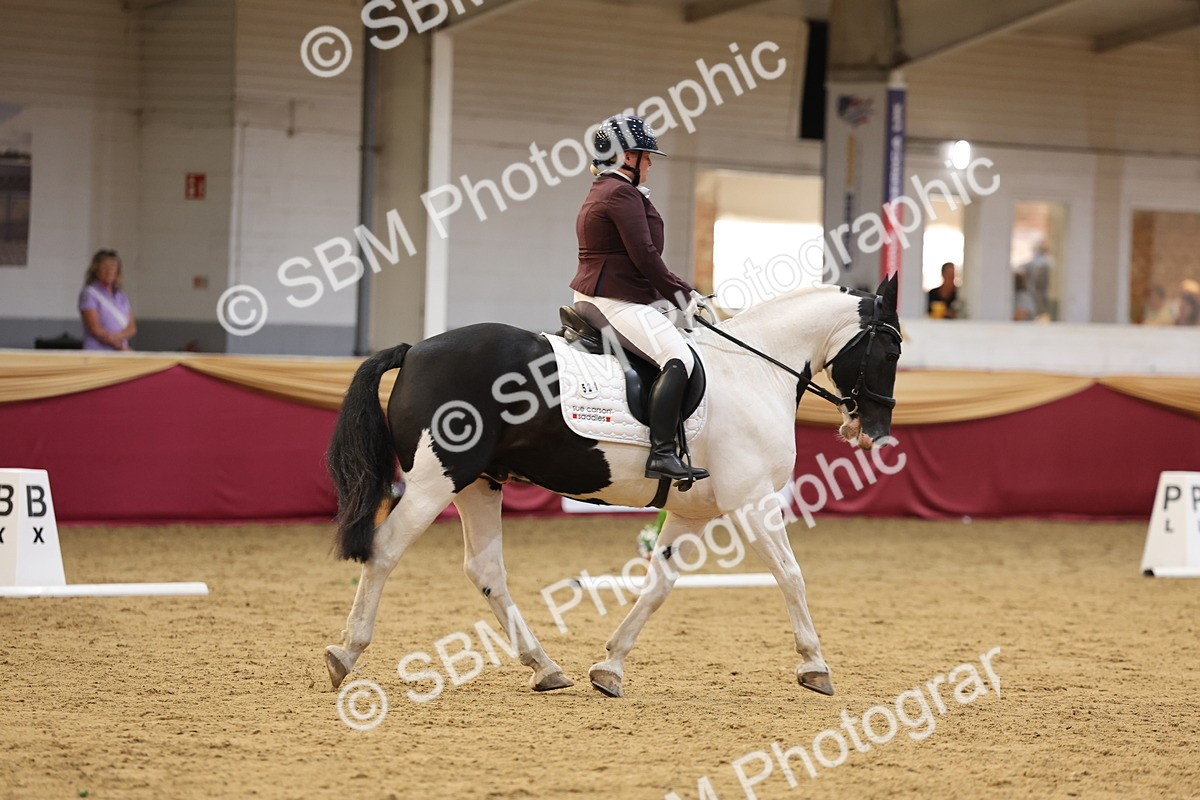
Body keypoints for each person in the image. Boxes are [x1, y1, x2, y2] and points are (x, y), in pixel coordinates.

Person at [570, 115, 709, 483]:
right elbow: (645, 255)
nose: (649, 164)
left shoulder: (604, 189)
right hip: (613, 301)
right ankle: (662, 453)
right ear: (625, 158)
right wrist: (683, 295)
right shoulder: (620, 193)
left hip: (605, 295)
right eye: (645, 156)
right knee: (678, 357)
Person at [79, 248, 136, 350]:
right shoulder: (89, 294)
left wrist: (118, 338)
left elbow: (132, 327)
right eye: (104, 266)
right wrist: (120, 346)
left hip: (120, 353)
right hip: (98, 352)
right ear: (96, 269)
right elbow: (94, 328)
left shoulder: (121, 295)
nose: (109, 271)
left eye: (113, 267)